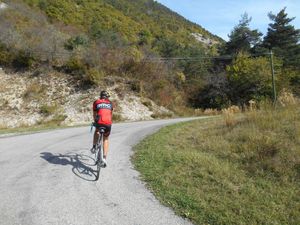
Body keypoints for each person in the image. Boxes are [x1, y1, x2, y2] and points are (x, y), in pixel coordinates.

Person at [91, 90, 113, 167]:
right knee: (106, 139)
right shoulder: (110, 103)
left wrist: (95, 122)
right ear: (107, 97)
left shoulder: (96, 102)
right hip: (108, 124)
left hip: (99, 123)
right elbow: (110, 114)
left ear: (100, 96)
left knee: (96, 131)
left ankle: (94, 147)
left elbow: (94, 114)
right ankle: (104, 158)